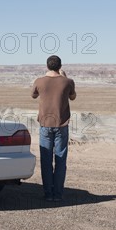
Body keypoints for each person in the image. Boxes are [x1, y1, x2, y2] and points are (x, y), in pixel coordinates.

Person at [31, 55, 76, 202]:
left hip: (45, 124)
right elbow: (73, 97)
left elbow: (33, 95)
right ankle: (58, 194)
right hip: (61, 125)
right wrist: (65, 76)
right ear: (60, 66)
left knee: (46, 160)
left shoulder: (39, 81)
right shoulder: (68, 82)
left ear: (47, 66)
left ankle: (48, 194)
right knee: (61, 160)